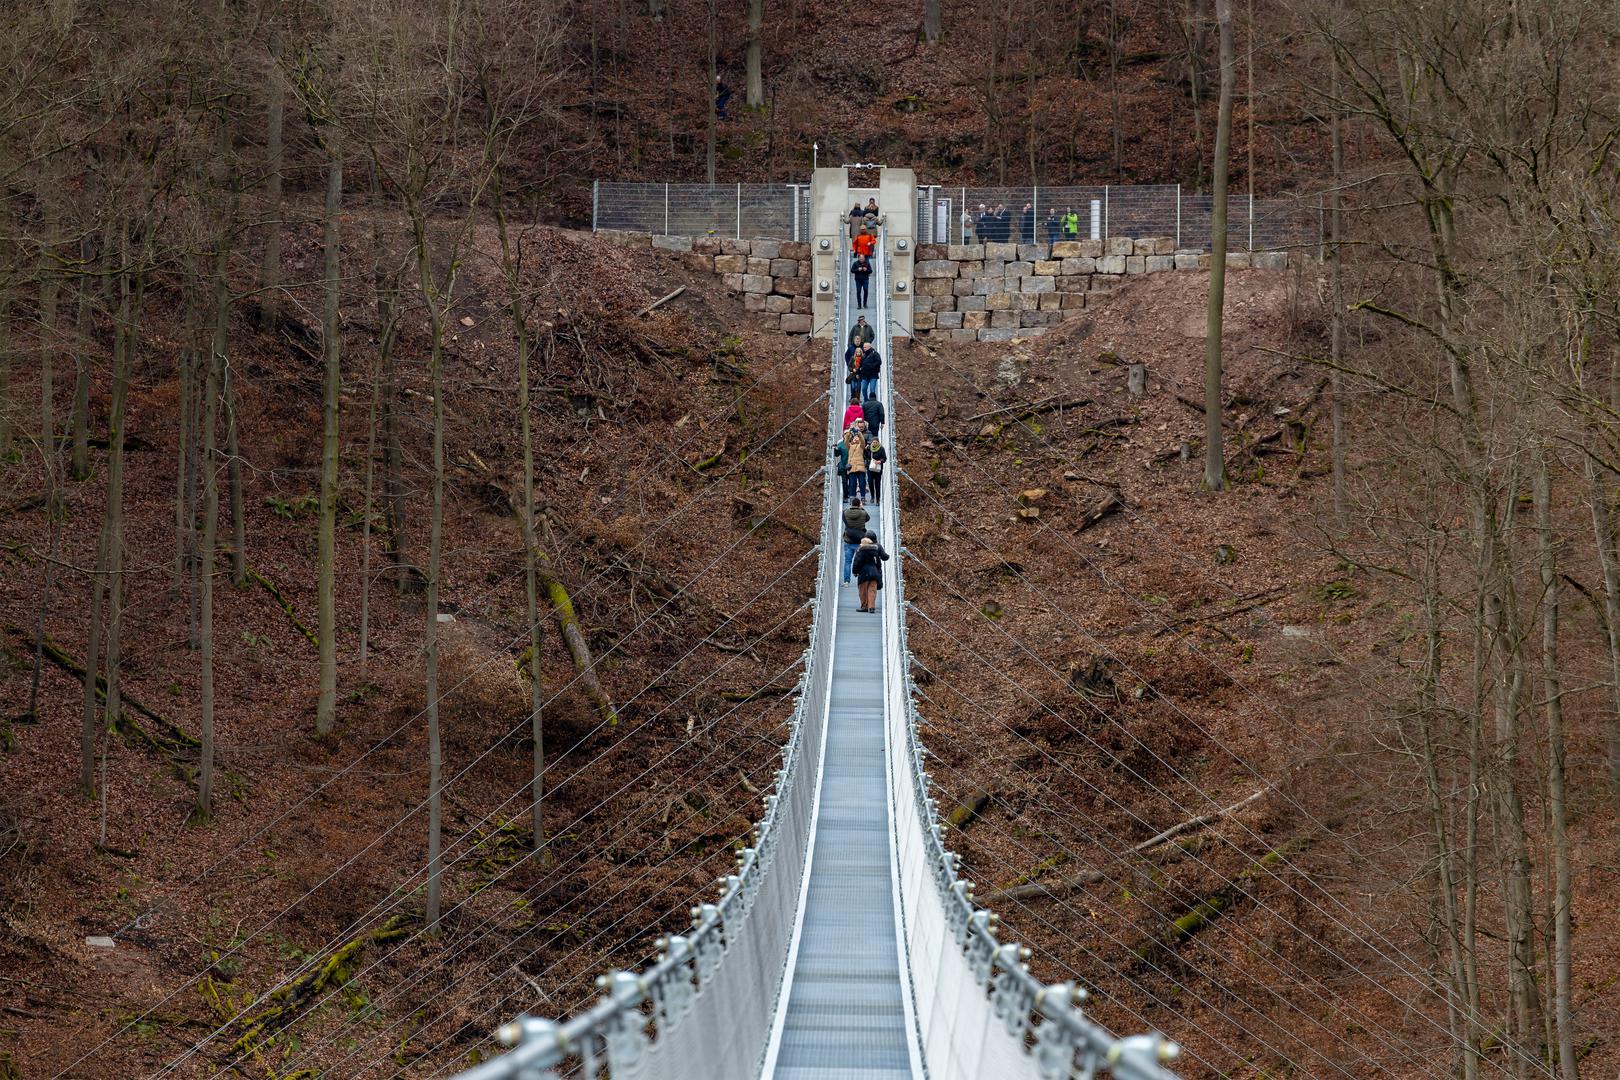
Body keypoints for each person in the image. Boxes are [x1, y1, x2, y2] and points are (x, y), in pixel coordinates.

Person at [851, 535, 890, 613]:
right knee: (872, 591)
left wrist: (855, 572)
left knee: (863, 591)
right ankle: (871, 607)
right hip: (874, 573)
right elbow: (878, 563)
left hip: (864, 574)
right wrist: (877, 571)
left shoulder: (860, 551)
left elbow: (857, 563)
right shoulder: (875, 551)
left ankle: (864, 606)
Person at [841, 499, 870, 585]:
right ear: (859, 504)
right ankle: (862, 580)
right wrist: (862, 509)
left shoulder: (845, 513)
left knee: (848, 562)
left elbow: (845, 521)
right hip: (860, 541)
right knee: (862, 561)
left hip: (848, 540)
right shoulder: (863, 513)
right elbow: (868, 518)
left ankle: (846, 581)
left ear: (851, 504)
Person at [843, 426, 868, 500]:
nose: (856, 438)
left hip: (860, 467)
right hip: (852, 467)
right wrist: (849, 432)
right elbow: (846, 441)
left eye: (857, 437)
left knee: (862, 483)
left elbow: (863, 440)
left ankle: (863, 497)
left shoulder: (861, 446)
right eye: (854, 437)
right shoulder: (849, 446)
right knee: (852, 483)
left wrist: (858, 433)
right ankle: (852, 497)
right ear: (852, 439)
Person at [865, 440, 886, 504]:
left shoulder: (881, 448)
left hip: (877, 468)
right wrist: (865, 449)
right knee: (870, 482)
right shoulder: (869, 448)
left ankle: (878, 499)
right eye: (873, 442)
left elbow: (884, 458)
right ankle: (872, 496)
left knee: (877, 484)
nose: (874, 443)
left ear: (878, 443)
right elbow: (865, 456)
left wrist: (880, 461)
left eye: (876, 442)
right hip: (870, 468)